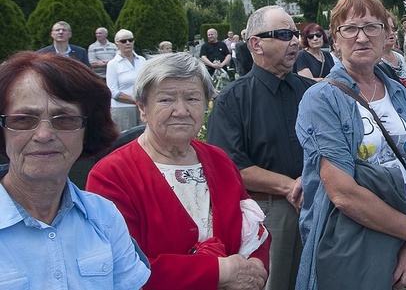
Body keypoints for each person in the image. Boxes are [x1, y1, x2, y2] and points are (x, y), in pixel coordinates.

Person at [88, 53, 270, 289]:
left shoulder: (219, 160)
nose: (181, 111)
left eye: (193, 99)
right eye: (166, 100)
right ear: (142, 108)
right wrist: (220, 271)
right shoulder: (111, 175)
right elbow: (123, 267)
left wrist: (256, 265)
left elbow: (254, 229)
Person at [295, 0, 406, 290]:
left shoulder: (398, 91)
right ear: (335, 38)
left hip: (404, 229)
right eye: (350, 28)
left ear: (387, 36)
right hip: (351, 237)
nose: (362, 37)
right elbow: (344, 194)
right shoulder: (321, 99)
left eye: (372, 27)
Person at [0, 51, 150, 288]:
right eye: (23, 120)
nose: (44, 135)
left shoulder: (104, 217)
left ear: (86, 131)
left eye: (64, 119)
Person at [207, 6, 315, 290]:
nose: (294, 40)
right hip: (268, 213)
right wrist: (290, 186)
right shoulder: (233, 100)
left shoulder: (311, 92)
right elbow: (229, 167)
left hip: (315, 207)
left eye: (294, 33)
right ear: (255, 44)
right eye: (282, 34)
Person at [107, 29, 146, 132]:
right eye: (124, 41)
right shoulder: (113, 64)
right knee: (126, 139)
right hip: (122, 109)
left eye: (130, 40)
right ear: (117, 44)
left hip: (142, 107)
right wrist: (135, 100)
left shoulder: (142, 60)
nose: (128, 43)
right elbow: (113, 91)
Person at [380, 12, 406, 86]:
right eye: (386, 29)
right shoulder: (375, 63)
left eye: (393, 28)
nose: (391, 32)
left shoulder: (400, 55)